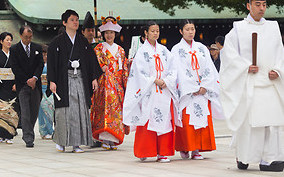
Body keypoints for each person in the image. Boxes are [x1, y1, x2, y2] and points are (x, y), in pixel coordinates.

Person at [220, 0, 284, 172]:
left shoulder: (273, 27)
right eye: (257, 4)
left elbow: (280, 56)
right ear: (248, 5)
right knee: (252, 125)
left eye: (264, 4)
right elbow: (229, 56)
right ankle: (245, 156)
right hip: (250, 83)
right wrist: (244, 67)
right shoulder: (238, 29)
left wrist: (278, 70)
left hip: (270, 83)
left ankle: (272, 159)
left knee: (272, 124)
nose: (261, 8)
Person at [47, 9, 102, 153]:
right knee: (64, 111)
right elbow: (52, 63)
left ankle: (77, 143)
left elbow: (91, 61)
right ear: (64, 23)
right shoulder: (56, 43)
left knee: (80, 111)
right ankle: (61, 141)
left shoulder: (82, 41)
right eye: (72, 20)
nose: (76, 22)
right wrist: (52, 81)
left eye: (77, 19)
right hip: (63, 80)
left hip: (80, 79)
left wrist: (94, 78)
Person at [123, 21, 178, 162]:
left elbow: (173, 68)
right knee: (148, 119)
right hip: (149, 90)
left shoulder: (164, 51)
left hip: (164, 89)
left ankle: (162, 152)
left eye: (157, 31)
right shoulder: (141, 52)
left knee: (165, 119)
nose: (155, 33)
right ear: (146, 33)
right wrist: (154, 80)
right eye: (152, 31)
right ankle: (145, 150)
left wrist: (167, 80)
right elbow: (139, 72)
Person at [171, 19, 222, 160]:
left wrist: (205, 85)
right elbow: (178, 71)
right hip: (188, 92)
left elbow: (209, 68)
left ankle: (197, 149)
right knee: (187, 121)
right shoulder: (176, 49)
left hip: (202, 91)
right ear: (181, 31)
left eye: (192, 29)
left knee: (201, 119)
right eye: (187, 29)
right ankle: (186, 147)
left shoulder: (201, 48)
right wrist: (191, 87)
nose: (190, 32)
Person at [91, 15, 129, 150]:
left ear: (115, 33)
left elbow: (123, 68)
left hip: (117, 85)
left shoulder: (121, 50)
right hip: (104, 84)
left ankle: (114, 138)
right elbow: (96, 65)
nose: (109, 35)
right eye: (106, 33)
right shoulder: (98, 48)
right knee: (104, 109)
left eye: (111, 33)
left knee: (116, 111)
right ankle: (105, 139)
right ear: (103, 34)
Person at [10, 25, 44, 148]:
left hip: (35, 84)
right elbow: (15, 67)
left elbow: (40, 64)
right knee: (25, 112)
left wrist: (35, 78)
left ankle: (29, 131)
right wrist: (27, 80)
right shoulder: (14, 49)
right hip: (22, 84)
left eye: (30, 37)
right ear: (20, 36)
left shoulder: (37, 47)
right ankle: (28, 137)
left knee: (34, 111)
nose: (28, 40)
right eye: (25, 37)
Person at [0, 32, 18, 144]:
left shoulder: (14, 55)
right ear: (1, 42)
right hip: (1, 86)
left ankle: (10, 135)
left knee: (12, 110)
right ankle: (2, 135)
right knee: (2, 111)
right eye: (7, 40)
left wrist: (17, 83)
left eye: (10, 40)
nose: (9, 42)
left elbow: (18, 70)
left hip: (12, 86)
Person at [38, 44, 54, 140]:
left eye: (47, 54)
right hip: (41, 90)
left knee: (50, 110)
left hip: (49, 90)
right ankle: (44, 131)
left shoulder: (51, 65)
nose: (45, 57)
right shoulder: (38, 65)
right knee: (42, 111)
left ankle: (50, 130)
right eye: (43, 55)